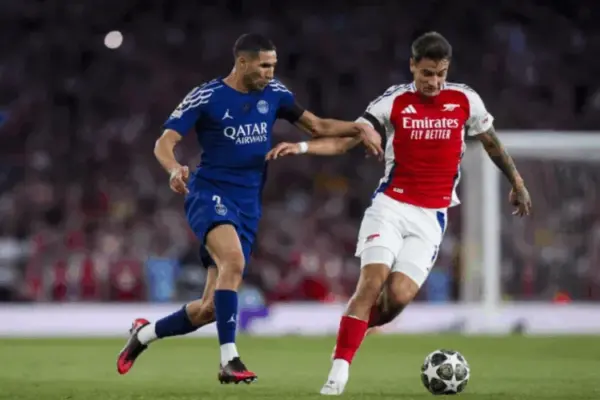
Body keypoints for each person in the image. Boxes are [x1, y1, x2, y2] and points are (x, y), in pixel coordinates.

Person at [266, 31, 532, 395]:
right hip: (390, 206)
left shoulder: (465, 100)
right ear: (412, 66)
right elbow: (346, 140)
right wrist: (300, 148)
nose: (434, 82)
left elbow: (492, 143)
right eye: (426, 74)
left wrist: (517, 182)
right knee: (371, 282)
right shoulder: (392, 102)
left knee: (397, 300)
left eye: (440, 74)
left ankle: (350, 332)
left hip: (431, 217)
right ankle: (339, 370)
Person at [116, 33, 382, 384]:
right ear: (242, 63)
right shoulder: (207, 96)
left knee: (210, 308)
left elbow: (317, 126)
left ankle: (144, 334)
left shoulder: (275, 94)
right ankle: (229, 360)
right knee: (234, 261)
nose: (271, 72)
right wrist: (174, 169)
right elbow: (164, 142)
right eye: (264, 66)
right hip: (209, 193)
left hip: (247, 204)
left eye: (273, 65)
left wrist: (361, 128)